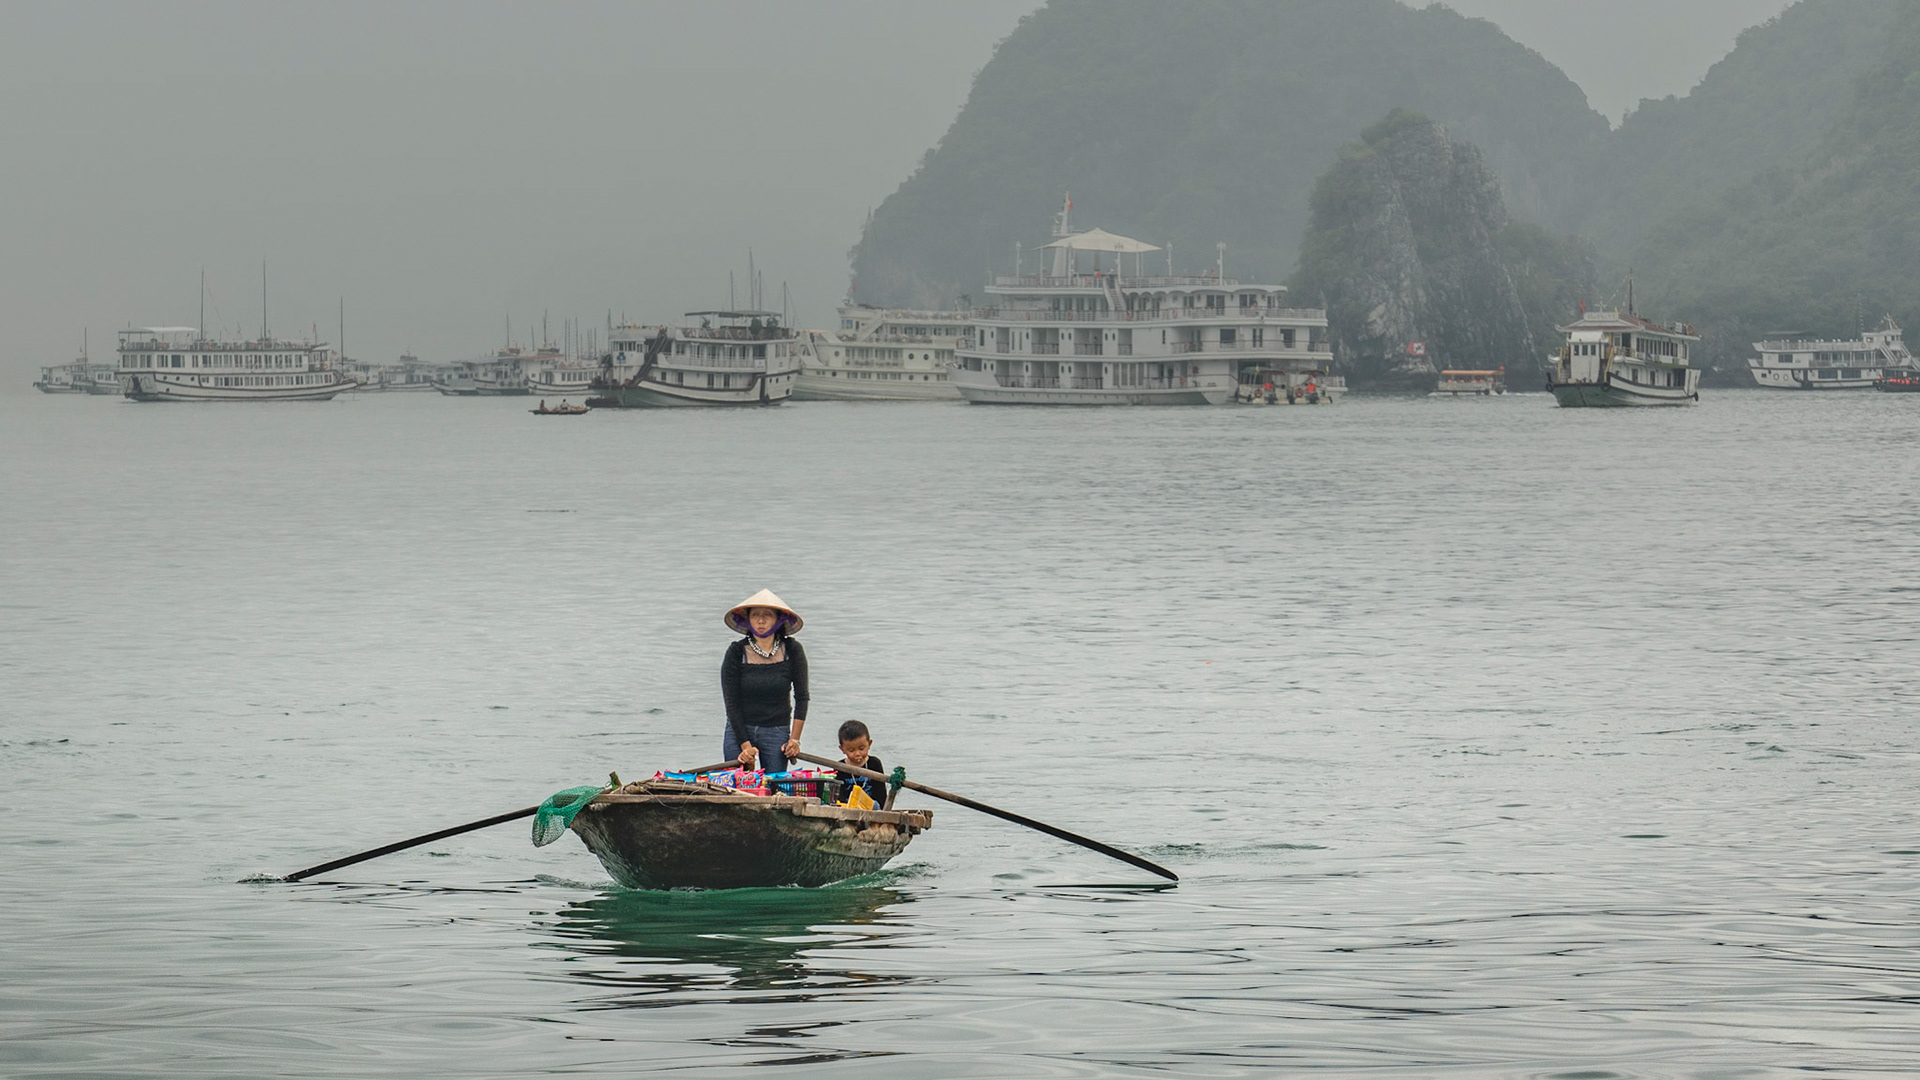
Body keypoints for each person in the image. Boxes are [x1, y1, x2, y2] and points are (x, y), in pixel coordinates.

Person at [719, 589, 809, 773]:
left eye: (767, 615)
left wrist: (794, 740)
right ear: (748, 619)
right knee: (737, 784)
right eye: (755, 615)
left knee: (775, 787)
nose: (761, 620)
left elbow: (802, 697)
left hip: (776, 730)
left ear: (778, 619)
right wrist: (745, 747)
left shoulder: (792, 650)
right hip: (739, 729)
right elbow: (731, 703)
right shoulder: (736, 652)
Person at [832, 720, 887, 806]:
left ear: (869, 744)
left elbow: (881, 795)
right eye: (851, 750)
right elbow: (839, 795)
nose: (857, 754)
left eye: (861, 748)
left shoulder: (874, 763)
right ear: (842, 749)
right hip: (848, 808)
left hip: (871, 809)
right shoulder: (840, 767)